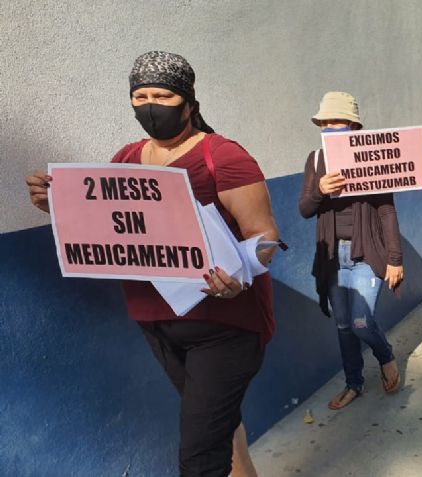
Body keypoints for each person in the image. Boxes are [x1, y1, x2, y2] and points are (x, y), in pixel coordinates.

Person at [26, 51, 279, 477]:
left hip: (225, 328)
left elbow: (264, 235)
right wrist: (58, 205)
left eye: (161, 95)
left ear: (189, 103)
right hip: (156, 323)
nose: (149, 105)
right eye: (139, 95)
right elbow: (113, 222)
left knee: (199, 459)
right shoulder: (126, 158)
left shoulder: (225, 157)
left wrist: (238, 277)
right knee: (222, 431)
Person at [299, 92, 403, 411]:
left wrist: (395, 260)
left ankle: (385, 355)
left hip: (366, 255)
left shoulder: (373, 157)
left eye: (337, 121)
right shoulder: (316, 160)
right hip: (333, 258)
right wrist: (320, 191)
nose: (330, 127)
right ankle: (354, 384)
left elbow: (386, 211)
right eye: (324, 122)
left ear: (353, 125)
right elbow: (304, 209)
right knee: (343, 324)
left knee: (360, 321)